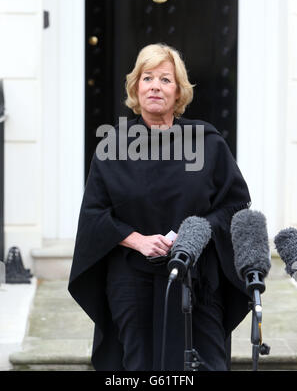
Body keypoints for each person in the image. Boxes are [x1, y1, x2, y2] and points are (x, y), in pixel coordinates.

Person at [68, 43, 251, 371]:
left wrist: (194, 233)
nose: (155, 86)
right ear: (135, 88)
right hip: (131, 281)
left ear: (179, 90)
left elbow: (235, 206)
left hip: (197, 281)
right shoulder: (113, 147)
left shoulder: (208, 144)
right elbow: (94, 214)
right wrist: (137, 239)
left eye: (165, 79)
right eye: (147, 77)